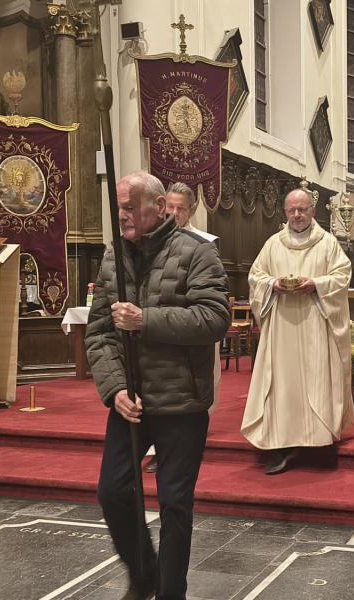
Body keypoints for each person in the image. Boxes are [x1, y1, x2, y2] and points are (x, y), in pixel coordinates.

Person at [86, 171, 229, 600]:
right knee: (112, 491)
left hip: (180, 400)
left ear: (159, 206)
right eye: (119, 208)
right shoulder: (114, 256)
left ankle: (171, 593)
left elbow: (214, 318)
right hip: (130, 400)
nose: (122, 215)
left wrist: (146, 320)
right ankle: (144, 573)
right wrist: (115, 390)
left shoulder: (197, 253)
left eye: (130, 207)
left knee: (174, 503)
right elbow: (98, 331)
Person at [241, 187, 354, 475]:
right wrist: (273, 285)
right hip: (282, 327)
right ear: (285, 212)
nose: (297, 215)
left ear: (312, 211)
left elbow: (342, 275)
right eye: (292, 210)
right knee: (282, 385)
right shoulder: (273, 244)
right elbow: (256, 276)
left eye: (302, 209)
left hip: (315, 323)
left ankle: (319, 440)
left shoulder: (327, 244)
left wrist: (316, 284)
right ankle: (281, 445)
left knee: (316, 380)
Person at [139, 182, 219, 475]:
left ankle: (183, 446)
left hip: (188, 336)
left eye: (180, 209)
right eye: (169, 208)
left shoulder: (203, 244)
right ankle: (157, 449)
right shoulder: (145, 243)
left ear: (191, 210)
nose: (173, 214)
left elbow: (209, 301)